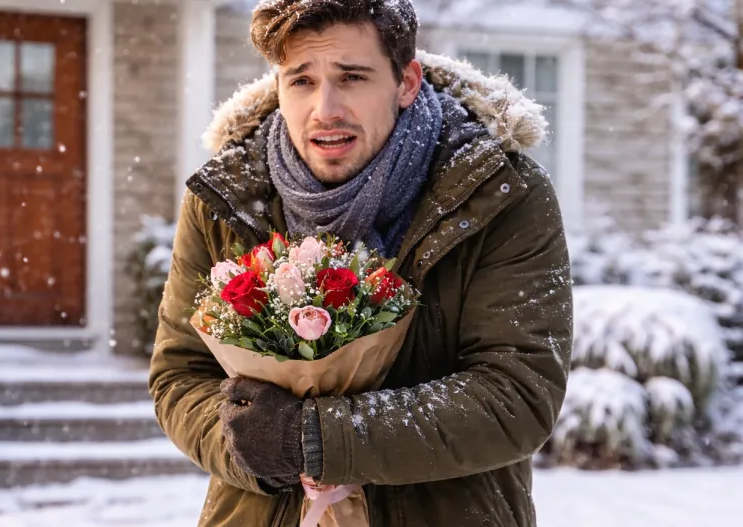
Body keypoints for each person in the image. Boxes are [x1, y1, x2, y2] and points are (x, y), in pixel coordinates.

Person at [148, 0, 573, 525]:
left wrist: (317, 437)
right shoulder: (225, 196)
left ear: (406, 82)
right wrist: (245, 441)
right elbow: (179, 375)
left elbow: (517, 395)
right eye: (301, 80)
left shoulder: (498, 193)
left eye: (352, 77)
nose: (325, 108)